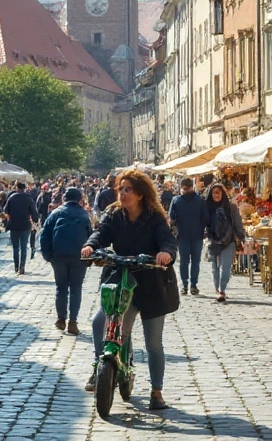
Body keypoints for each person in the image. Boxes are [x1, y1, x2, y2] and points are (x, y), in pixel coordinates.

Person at [81, 171, 178, 411]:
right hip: (122, 280)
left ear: (140, 194)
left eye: (127, 190)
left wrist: (165, 253)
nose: (122, 194)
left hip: (151, 283)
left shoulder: (154, 217)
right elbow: (101, 232)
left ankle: (156, 391)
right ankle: (99, 368)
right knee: (99, 322)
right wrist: (91, 245)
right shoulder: (114, 214)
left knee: (153, 341)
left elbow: (167, 240)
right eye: (120, 189)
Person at [40, 187, 93, 335]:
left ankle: (61, 318)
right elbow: (91, 236)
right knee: (76, 289)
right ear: (79, 199)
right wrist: (89, 257)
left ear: (64, 198)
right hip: (79, 256)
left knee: (61, 288)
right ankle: (73, 321)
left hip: (59, 255)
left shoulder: (55, 213)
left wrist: (48, 255)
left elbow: (44, 235)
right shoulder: (84, 215)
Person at [203, 183, 245, 303]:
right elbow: (203, 224)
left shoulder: (231, 208)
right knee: (215, 268)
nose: (216, 195)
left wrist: (242, 237)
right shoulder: (207, 208)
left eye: (218, 192)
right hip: (213, 241)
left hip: (228, 240)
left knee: (225, 268)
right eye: (214, 193)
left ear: (222, 193)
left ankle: (222, 290)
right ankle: (217, 290)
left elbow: (237, 223)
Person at [168, 177, 207, 296]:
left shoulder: (197, 200)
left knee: (190, 262)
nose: (184, 191)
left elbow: (171, 219)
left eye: (185, 189)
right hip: (189, 236)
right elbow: (172, 219)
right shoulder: (179, 200)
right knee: (189, 262)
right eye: (184, 189)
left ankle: (190, 285)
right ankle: (188, 285)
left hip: (191, 236)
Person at [2, 182, 38, 274]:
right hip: (25, 225)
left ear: (17, 188)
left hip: (14, 224)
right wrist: (35, 221)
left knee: (15, 247)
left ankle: (16, 267)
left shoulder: (12, 197)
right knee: (23, 247)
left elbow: (6, 210)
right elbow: (34, 212)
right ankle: (22, 266)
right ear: (24, 188)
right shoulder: (29, 198)